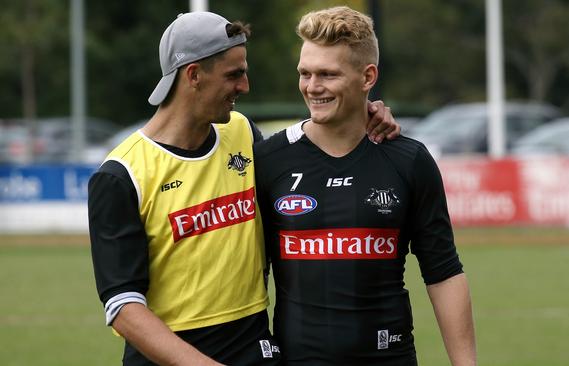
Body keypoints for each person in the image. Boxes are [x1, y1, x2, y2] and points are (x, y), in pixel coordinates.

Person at [88, 10, 399, 366]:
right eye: (234, 75)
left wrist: (365, 112)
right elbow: (122, 307)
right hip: (169, 355)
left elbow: (309, 149)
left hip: (254, 346)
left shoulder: (242, 133)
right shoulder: (121, 174)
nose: (245, 87)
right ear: (194, 75)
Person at [254, 6, 476, 366]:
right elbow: (249, 277)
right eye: (305, 73)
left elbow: (443, 272)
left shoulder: (409, 161)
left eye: (328, 74)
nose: (312, 87)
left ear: (367, 76)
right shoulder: (269, 160)